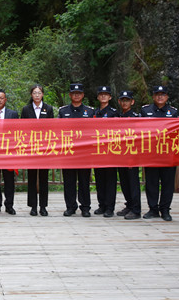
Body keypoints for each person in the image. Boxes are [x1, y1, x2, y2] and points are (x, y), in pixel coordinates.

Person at [140, 85, 179, 221]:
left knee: (168, 183)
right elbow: (139, 130)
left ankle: (165, 209)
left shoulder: (173, 112)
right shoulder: (145, 110)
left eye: (163, 94)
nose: (160, 97)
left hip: (168, 154)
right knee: (151, 182)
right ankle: (153, 209)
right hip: (151, 153)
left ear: (167, 97)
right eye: (157, 94)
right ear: (153, 96)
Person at [58, 83, 94, 217]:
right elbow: (58, 130)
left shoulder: (90, 111)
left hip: (84, 153)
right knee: (69, 181)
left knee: (84, 181)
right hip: (68, 152)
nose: (76, 95)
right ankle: (70, 206)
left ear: (83, 95)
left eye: (79, 93)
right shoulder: (63, 111)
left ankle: (85, 207)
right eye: (74, 93)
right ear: (70, 95)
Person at [21, 84, 54, 216]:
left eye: (39, 93)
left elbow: (52, 127)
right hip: (31, 148)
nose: (37, 95)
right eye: (34, 93)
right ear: (31, 95)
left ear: (42, 94)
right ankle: (33, 206)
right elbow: (22, 128)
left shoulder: (48, 109)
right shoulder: (26, 109)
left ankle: (43, 206)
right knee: (32, 177)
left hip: (45, 148)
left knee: (44, 178)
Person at [93, 86, 119, 218]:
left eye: (106, 94)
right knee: (99, 179)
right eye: (101, 94)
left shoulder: (114, 113)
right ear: (98, 97)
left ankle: (110, 207)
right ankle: (102, 205)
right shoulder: (94, 112)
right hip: (97, 151)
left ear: (110, 97)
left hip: (110, 151)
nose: (103, 96)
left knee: (110, 180)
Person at [116, 90, 142, 220]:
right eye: (123, 100)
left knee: (133, 182)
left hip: (132, 154)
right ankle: (129, 205)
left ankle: (136, 209)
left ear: (132, 102)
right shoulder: (118, 117)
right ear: (119, 102)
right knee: (124, 182)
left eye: (127, 100)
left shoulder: (136, 117)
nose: (125, 103)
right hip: (120, 154)